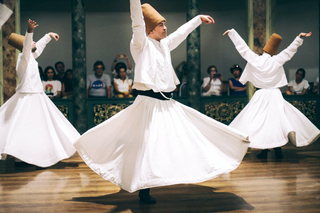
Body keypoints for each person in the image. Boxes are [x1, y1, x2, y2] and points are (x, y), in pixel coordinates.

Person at [74, 0, 249, 205]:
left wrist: (197, 19)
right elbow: (136, 22)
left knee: (187, 134)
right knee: (146, 145)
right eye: (161, 25)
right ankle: (144, 189)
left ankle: (188, 169)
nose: (166, 28)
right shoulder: (140, 44)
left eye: (165, 25)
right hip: (148, 104)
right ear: (150, 29)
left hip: (167, 104)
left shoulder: (164, 44)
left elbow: (181, 34)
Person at [224, 28, 320, 159]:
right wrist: (299, 37)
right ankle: (277, 149)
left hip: (261, 94)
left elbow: (243, 49)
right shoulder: (277, 60)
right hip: (275, 94)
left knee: (260, 121)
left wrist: (232, 33)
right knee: (276, 122)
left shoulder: (256, 60)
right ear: (274, 51)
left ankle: (264, 150)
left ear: (264, 49)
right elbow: (290, 51)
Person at [0, 19, 79, 167]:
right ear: (26, 46)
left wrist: (48, 35)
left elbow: (39, 47)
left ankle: (35, 154)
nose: (35, 43)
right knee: (25, 127)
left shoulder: (31, 58)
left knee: (40, 127)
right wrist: (29, 31)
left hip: (36, 95)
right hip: (28, 96)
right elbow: (28, 47)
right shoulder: (23, 59)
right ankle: (23, 156)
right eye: (32, 42)